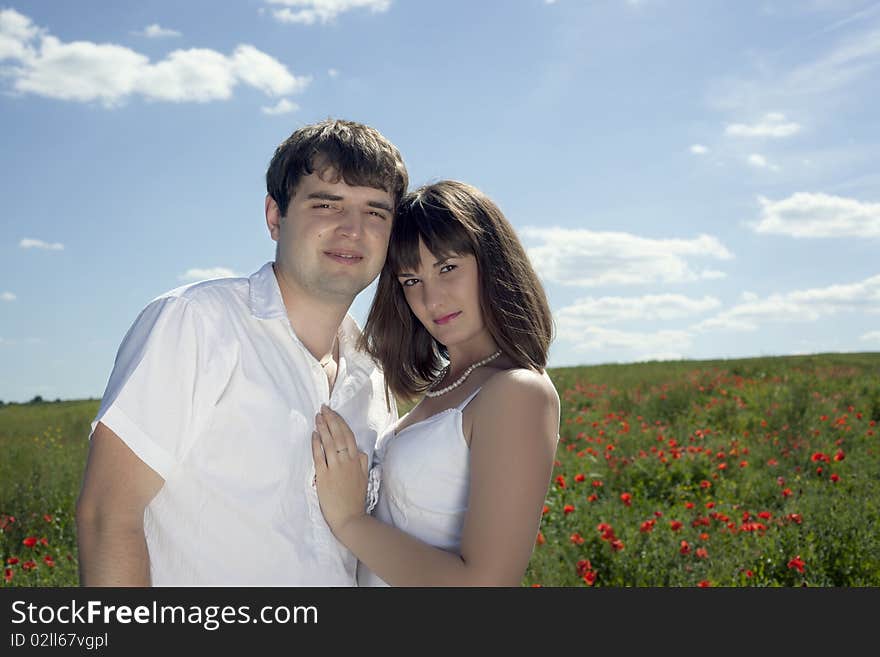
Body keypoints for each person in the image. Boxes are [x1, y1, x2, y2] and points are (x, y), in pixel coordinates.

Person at [75, 118, 409, 586]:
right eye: (326, 203)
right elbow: (107, 517)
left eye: (375, 211)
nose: (352, 229)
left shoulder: (373, 374)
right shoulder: (194, 322)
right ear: (275, 216)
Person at [310, 180, 560, 586]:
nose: (432, 299)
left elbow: (486, 584)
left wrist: (350, 520)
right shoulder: (449, 383)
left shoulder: (517, 391)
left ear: (493, 261)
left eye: (447, 268)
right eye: (411, 280)